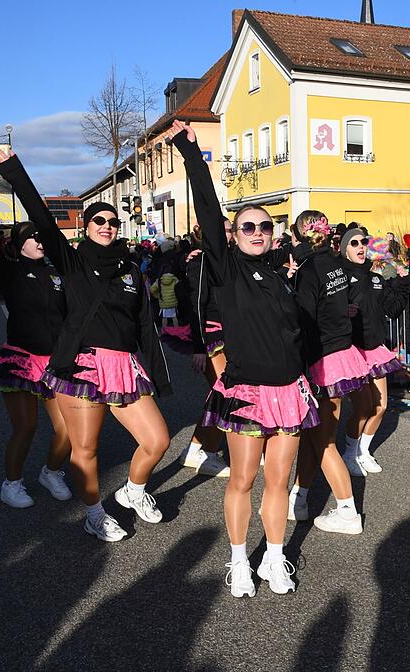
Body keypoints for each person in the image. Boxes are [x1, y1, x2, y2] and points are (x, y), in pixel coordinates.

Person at [0, 146, 171, 544]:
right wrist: (11, 168)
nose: (107, 225)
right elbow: (39, 213)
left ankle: (134, 491)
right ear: (86, 226)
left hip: (124, 366)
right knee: (84, 448)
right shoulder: (70, 261)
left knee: (157, 440)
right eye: (99, 220)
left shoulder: (130, 269)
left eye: (112, 221)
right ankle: (94, 514)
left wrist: (159, 375)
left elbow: (145, 324)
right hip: (83, 366)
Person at [172, 119, 317, 596]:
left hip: (289, 392)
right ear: (232, 235)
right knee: (242, 480)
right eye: (248, 226)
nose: (258, 231)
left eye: (265, 226)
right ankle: (238, 561)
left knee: (279, 483)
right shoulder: (226, 269)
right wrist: (192, 152)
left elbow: (295, 334)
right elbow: (210, 211)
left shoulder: (279, 275)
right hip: (246, 391)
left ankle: (274, 558)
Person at [0, 193, 73, 509]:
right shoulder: (10, 271)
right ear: (19, 244)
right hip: (20, 360)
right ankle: (11, 484)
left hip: (55, 360)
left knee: (69, 429)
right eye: (32, 237)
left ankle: (51, 472)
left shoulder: (58, 273)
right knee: (26, 427)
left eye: (41, 237)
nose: (39, 242)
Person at [289, 208, 371, 534]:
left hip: (321, 358)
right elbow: (342, 305)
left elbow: (304, 323)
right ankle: (301, 497)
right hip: (339, 353)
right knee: (315, 435)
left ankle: (347, 509)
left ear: (299, 236)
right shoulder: (334, 263)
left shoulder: (308, 270)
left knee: (323, 441)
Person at [338, 226, 410, 475]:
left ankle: (362, 451)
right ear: (344, 248)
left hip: (375, 349)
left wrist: (402, 282)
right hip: (352, 351)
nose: (360, 247)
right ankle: (349, 452)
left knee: (380, 407)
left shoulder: (376, 278)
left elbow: (393, 309)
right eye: (354, 243)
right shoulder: (340, 277)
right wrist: (341, 311)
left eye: (363, 242)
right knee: (362, 408)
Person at [177, 218, 233, 478]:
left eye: (231, 229)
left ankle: (198, 447)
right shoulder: (200, 261)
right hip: (210, 335)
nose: (228, 234)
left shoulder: (231, 259)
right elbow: (195, 304)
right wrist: (199, 347)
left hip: (232, 333)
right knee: (225, 392)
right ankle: (201, 451)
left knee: (226, 393)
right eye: (223, 230)